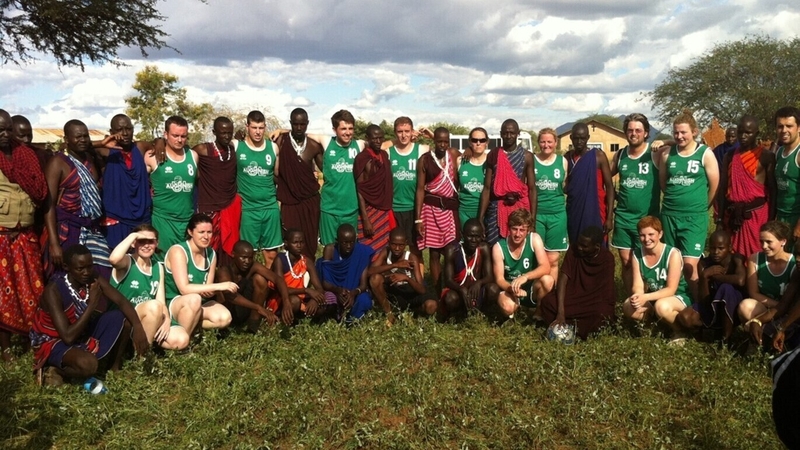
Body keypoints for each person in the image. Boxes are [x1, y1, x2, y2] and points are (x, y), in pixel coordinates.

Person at [30, 245, 149, 386]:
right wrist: (92, 304)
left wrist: (138, 326)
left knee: (124, 319)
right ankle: (56, 370)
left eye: (89, 267)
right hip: (54, 340)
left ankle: (113, 368)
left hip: (81, 330)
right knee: (89, 365)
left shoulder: (92, 278)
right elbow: (68, 337)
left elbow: (121, 301)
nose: (86, 272)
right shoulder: (54, 291)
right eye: (80, 269)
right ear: (66, 267)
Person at [0, 109, 47, 361]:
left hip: (26, 234)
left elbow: (39, 191)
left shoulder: (25, 155)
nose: (5, 134)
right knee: (3, 293)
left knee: (32, 290)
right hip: (2, 236)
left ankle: (32, 341)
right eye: (0, 130)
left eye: (8, 129)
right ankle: (6, 350)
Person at [657, 110, 719, 300]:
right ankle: (678, 305)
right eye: (676, 132)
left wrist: (701, 206)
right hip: (669, 215)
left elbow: (714, 184)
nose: (679, 136)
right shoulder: (667, 154)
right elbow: (663, 184)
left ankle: (698, 309)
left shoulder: (705, 154)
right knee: (672, 264)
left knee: (691, 266)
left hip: (695, 217)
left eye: (683, 132)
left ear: (694, 132)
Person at [44, 119, 112, 279]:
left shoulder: (90, 159)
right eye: (78, 137)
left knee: (101, 275)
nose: (83, 140)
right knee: (68, 277)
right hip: (69, 230)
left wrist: (101, 142)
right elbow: (49, 205)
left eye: (86, 136)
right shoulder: (58, 163)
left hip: (93, 229)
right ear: (66, 139)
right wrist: (54, 243)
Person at [109, 225, 189, 350]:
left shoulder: (158, 267)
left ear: (156, 243)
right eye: (142, 241)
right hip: (124, 317)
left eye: (150, 241)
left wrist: (167, 319)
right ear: (133, 243)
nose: (146, 245)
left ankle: (144, 345)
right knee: (153, 306)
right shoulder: (127, 261)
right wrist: (134, 235)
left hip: (151, 315)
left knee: (181, 339)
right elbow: (113, 259)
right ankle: (142, 358)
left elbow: (161, 301)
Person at [610, 113, 661, 292]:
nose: (634, 133)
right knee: (626, 262)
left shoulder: (655, 153)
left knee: (646, 263)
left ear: (646, 133)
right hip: (623, 218)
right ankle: (630, 300)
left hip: (646, 220)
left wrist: (666, 143)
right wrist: (615, 196)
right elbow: (605, 179)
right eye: (630, 130)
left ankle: (647, 303)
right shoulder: (620, 154)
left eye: (638, 130)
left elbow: (680, 149)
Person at [623, 216, 693, 343]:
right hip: (654, 295)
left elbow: (671, 290)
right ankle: (653, 328)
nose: (647, 239)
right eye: (642, 235)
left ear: (660, 234)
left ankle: (680, 331)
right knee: (628, 305)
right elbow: (638, 284)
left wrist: (646, 297)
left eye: (651, 234)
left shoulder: (672, 254)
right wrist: (638, 295)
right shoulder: (637, 254)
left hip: (678, 296)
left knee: (661, 306)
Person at [164, 214, 238, 333]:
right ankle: (184, 340)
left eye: (209, 232)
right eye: (201, 232)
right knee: (194, 299)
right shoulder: (178, 251)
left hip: (198, 303)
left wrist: (210, 291)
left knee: (224, 318)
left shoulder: (211, 254)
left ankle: (192, 325)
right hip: (175, 302)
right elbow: (184, 289)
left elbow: (207, 289)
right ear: (190, 232)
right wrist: (219, 285)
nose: (206, 236)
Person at [301, 110, 365, 246]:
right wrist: (280, 130)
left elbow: (382, 143)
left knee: (349, 248)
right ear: (334, 129)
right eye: (343, 129)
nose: (347, 132)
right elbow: (300, 132)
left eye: (350, 128)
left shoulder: (358, 145)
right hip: (329, 209)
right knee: (329, 248)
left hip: (351, 209)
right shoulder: (327, 142)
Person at [540, 226, 616, 340]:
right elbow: (563, 279)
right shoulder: (573, 250)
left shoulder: (607, 258)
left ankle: (573, 329)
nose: (579, 248)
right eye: (579, 243)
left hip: (593, 300)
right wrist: (561, 312)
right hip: (572, 296)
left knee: (602, 313)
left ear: (597, 246)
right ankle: (568, 326)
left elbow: (606, 290)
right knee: (547, 302)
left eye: (584, 246)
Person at [717, 115, 776, 258]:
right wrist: (720, 219)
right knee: (734, 257)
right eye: (740, 132)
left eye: (748, 133)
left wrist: (771, 220)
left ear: (757, 134)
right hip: (733, 217)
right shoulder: (729, 156)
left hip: (756, 216)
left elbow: (773, 191)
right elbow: (723, 187)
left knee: (757, 256)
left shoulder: (766, 156)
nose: (743, 136)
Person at [93, 114, 154, 249]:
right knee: (117, 259)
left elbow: (158, 145)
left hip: (142, 218)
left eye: (129, 129)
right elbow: (77, 147)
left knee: (142, 259)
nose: (125, 133)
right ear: (111, 132)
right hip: (116, 218)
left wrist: (160, 142)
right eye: (120, 129)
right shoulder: (104, 151)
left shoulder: (140, 147)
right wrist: (101, 143)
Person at [675, 230, 746, 342]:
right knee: (685, 317)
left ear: (730, 247)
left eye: (721, 248)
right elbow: (703, 300)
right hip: (712, 305)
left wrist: (715, 277)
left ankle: (726, 338)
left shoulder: (736, 259)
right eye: (712, 248)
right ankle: (699, 336)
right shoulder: (704, 264)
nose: (716, 252)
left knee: (726, 288)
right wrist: (703, 277)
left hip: (734, 309)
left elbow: (741, 280)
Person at [273, 108, 324, 258]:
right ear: (291, 123)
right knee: (290, 241)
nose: (299, 128)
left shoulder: (314, 146)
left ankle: (308, 276)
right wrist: (286, 184)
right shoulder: (280, 141)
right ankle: (291, 277)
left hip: (310, 202)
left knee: (308, 241)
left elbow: (328, 170)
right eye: (296, 124)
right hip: (290, 202)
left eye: (303, 124)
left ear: (307, 124)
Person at [737, 221, 795, 348]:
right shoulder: (755, 259)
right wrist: (779, 307)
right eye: (761, 241)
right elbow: (753, 293)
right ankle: (757, 339)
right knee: (745, 306)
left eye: (769, 242)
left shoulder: (794, 263)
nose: (764, 246)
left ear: (783, 241)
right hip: (769, 307)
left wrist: (784, 310)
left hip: (788, 311)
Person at [415, 127, 460, 288]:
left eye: (445, 142)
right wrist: (418, 218)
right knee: (434, 253)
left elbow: (470, 152)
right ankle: (437, 288)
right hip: (430, 210)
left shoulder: (453, 154)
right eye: (439, 141)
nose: (442, 145)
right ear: (433, 142)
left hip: (449, 212)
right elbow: (420, 189)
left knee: (451, 251)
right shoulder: (425, 160)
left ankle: (450, 286)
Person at [145, 116, 197, 255]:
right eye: (175, 135)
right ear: (165, 134)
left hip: (187, 221)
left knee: (186, 264)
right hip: (164, 221)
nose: (179, 140)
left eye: (183, 136)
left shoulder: (193, 156)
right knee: (165, 262)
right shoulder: (153, 156)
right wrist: (158, 142)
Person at [192, 116, 241, 265]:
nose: (226, 136)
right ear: (214, 132)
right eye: (223, 133)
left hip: (229, 206)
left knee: (228, 253)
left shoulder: (232, 149)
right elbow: (185, 157)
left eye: (229, 133)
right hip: (209, 208)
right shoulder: (203, 149)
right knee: (206, 250)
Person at [479, 119, 536, 245]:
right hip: (496, 207)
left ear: (518, 133)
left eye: (512, 133)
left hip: (519, 208)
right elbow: (487, 188)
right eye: (505, 133)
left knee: (517, 246)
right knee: (494, 246)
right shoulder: (493, 155)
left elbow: (532, 189)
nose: (508, 136)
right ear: (501, 134)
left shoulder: (527, 156)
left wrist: (532, 219)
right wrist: (480, 217)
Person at [236, 111, 282, 268]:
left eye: (261, 127)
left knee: (271, 255)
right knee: (248, 256)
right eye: (254, 127)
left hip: (270, 208)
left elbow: (278, 175)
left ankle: (269, 290)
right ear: (247, 127)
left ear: (265, 127)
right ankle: (250, 290)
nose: (257, 131)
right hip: (248, 209)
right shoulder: (237, 146)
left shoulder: (273, 148)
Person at [214, 240, 292, 332]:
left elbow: (277, 279)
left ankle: (253, 324)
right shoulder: (224, 271)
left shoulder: (252, 266)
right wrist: (258, 308)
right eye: (243, 257)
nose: (247, 261)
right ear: (233, 254)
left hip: (244, 310)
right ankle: (223, 329)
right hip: (226, 312)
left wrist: (286, 301)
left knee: (260, 279)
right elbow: (230, 296)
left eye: (250, 258)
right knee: (224, 292)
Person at [387, 117, 431, 269]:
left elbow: (444, 148)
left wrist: (431, 135)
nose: (404, 135)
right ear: (395, 133)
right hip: (393, 208)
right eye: (400, 132)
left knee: (415, 250)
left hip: (414, 209)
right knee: (393, 249)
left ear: (412, 132)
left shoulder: (421, 150)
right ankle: (393, 282)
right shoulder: (389, 152)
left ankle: (419, 283)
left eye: (407, 131)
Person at [492, 209, 552, 319]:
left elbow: (546, 267)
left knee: (548, 280)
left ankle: (538, 313)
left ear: (528, 231)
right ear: (509, 228)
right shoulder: (498, 247)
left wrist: (526, 277)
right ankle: (515, 310)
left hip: (530, 287)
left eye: (522, 230)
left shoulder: (534, 239)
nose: (518, 234)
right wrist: (512, 289)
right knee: (507, 307)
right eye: (514, 229)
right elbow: (499, 279)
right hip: (510, 288)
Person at [368, 228, 437, 324]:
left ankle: (414, 313)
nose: (397, 248)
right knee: (375, 279)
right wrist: (394, 265)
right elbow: (369, 271)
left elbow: (422, 289)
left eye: (401, 245)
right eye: (394, 244)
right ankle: (390, 315)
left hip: (409, 292)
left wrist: (407, 278)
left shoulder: (411, 258)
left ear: (406, 244)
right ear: (388, 242)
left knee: (431, 306)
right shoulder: (386, 252)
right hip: (393, 291)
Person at [564, 122, 615, 244]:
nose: (579, 141)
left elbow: (609, 187)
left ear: (588, 138)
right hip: (574, 209)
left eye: (582, 138)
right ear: (571, 138)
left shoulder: (598, 156)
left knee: (597, 243)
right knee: (577, 244)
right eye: (576, 138)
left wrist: (609, 217)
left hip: (595, 208)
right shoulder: (567, 157)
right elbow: (565, 185)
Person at [272, 229, 337, 322]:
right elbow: (281, 289)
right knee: (295, 301)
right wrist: (306, 290)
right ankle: (283, 320)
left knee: (326, 298)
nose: (299, 246)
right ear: (286, 243)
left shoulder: (307, 261)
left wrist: (315, 300)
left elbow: (319, 288)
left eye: (301, 242)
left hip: (301, 297)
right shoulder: (280, 259)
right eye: (295, 242)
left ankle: (301, 316)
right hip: (282, 298)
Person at [441, 219, 498, 321]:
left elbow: (489, 276)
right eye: (470, 236)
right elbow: (448, 280)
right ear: (462, 234)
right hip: (458, 291)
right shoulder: (452, 250)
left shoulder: (483, 248)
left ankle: (482, 312)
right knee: (450, 298)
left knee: (493, 289)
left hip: (475, 291)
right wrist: (461, 289)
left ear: (482, 236)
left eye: (477, 237)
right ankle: (456, 315)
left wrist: (479, 283)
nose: (473, 240)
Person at [316, 224, 374, 323]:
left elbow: (363, 285)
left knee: (364, 300)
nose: (348, 246)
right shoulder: (330, 250)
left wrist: (352, 293)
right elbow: (325, 282)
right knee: (327, 300)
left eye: (352, 242)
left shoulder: (361, 252)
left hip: (353, 292)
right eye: (344, 243)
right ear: (337, 240)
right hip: (334, 290)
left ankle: (351, 320)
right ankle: (335, 316)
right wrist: (338, 291)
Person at [533, 127, 569, 283]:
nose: (546, 145)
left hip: (557, 215)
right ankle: (535, 296)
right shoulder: (532, 160)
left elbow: (566, 185)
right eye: (542, 141)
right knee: (538, 258)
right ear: (538, 142)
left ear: (555, 142)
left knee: (553, 259)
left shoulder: (563, 161)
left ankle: (549, 298)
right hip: (537, 215)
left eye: (549, 141)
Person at [354, 124, 395, 251]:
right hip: (368, 211)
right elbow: (360, 190)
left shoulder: (384, 155)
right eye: (374, 138)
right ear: (367, 138)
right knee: (368, 248)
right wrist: (366, 219)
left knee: (384, 248)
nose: (378, 141)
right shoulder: (362, 158)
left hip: (384, 210)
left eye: (381, 138)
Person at [774, 106, 800, 242]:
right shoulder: (779, 153)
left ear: (798, 127)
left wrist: (799, 226)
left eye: (789, 126)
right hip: (782, 218)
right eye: (780, 126)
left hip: (796, 219)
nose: (784, 130)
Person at [458, 127, 488, 227]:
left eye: (482, 140)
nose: (478, 143)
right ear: (470, 142)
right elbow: (443, 148)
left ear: (487, 142)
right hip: (463, 212)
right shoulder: (460, 161)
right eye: (474, 140)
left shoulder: (492, 161)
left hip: (485, 212)